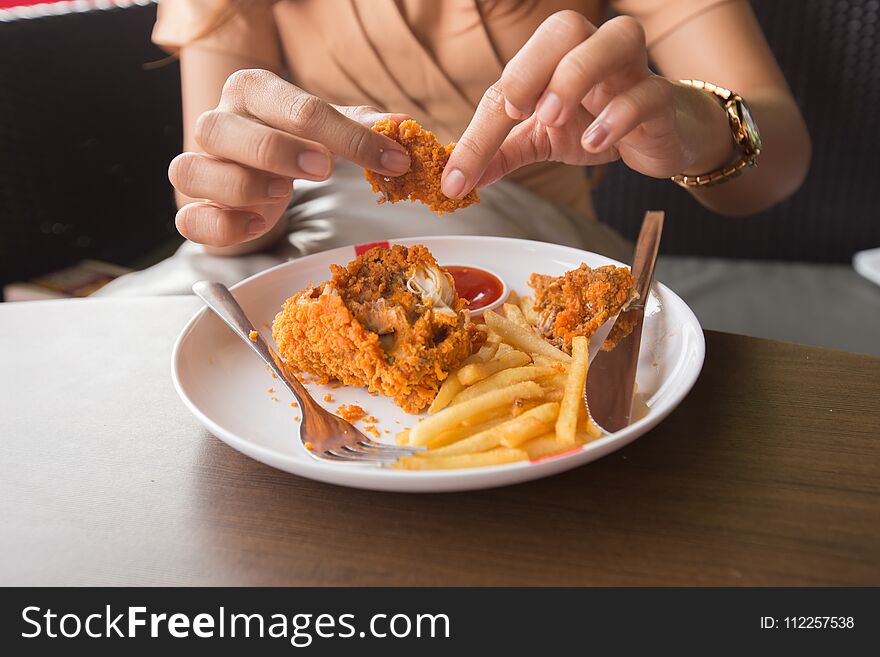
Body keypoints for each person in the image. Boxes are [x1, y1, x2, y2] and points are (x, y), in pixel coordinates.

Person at [99, 0, 810, 295]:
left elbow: (778, 161)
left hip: (535, 261)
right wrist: (244, 195)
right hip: (299, 257)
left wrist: (695, 125)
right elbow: (207, 210)